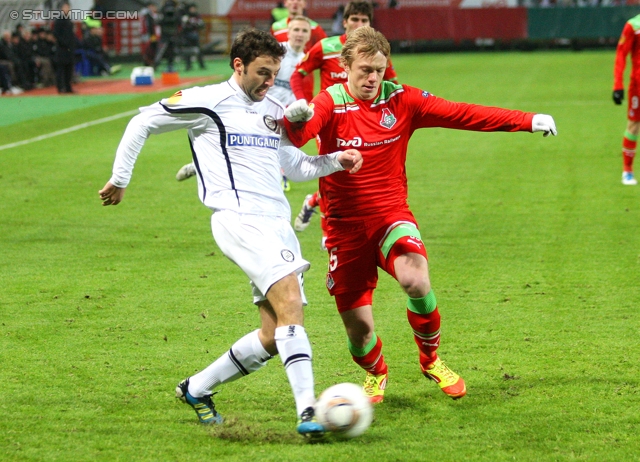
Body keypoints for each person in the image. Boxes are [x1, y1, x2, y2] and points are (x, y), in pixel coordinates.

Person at [98, 28, 363, 437]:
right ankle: (308, 411)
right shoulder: (208, 101)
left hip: (277, 224)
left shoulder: (274, 109)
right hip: (237, 219)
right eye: (261, 72)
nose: (268, 81)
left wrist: (335, 161)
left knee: (275, 334)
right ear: (238, 65)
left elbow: (294, 167)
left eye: (274, 73)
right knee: (291, 299)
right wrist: (120, 178)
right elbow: (143, 122)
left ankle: (196, 389)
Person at [282, 26, 557, 404]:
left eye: (379, 69)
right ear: (345, 65)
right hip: (343, 228)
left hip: (390, 215)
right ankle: (376, 373)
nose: (373, 78)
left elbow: (463, 113)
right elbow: (300, 136)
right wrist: (296, 119)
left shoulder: (403, 101)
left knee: (416, 279)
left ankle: (431, 360)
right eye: (364, 69)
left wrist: (527, 120)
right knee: (359, 331)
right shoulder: (329, 101)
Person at [290, 1, 398, 248]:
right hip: (329, 121)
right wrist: (304, 103)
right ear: (345, 21)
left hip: (364, 122)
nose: (359, 25)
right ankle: (328, 230)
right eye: (355, 20)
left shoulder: (377, 53)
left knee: (356, 174)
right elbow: (299, 73)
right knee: (332, 169)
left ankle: (313, 202)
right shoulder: (326, 47)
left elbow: (393, 85)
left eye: (364, 20)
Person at [175, 17, 313, 186]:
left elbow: (303, 89)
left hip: (281, 111)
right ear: (288, 32)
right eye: (296, 30)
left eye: (304, 31)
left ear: (309, 36)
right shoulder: (276, 54)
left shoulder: (307, 59)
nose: (300, 34)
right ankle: (200, 164)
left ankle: (274, 179)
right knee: (243, 145)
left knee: (278, 148)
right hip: (258, 106)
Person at [271, 0, 327, 101]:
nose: (295, 2)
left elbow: (325, 51)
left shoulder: (315, 28)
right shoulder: (276, 27)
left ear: (305, 3)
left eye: (304, 31)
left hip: (304, 80)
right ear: (285, 3)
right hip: (278, 84)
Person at [613, 13, 640, 186]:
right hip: (638, 85)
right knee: (634, 125)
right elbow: (621, 55)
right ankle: (627, 171)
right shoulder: (633, 25)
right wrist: (618, 85)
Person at [52, 2, 76, 93]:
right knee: (61, 69)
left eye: (68, 8)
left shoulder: (69, 20)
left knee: (69, 70)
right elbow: (56, 34)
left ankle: (68, 87)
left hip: (69, 49)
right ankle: (60, 88)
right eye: (65, 7)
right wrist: (64, 43)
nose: (67, 9)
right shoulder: (59, 20)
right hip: (62, 49)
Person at [181, 3, 206, 71]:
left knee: (199, 51)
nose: (193, 10)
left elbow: (202, 25)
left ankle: (202, 65)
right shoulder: (186, 17)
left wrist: (197, 24)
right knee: (188, 51)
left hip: (195, 35)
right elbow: (183, 27)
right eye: (191, 8)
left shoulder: (197, 16)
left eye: (194, 8)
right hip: (187, 36)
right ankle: (188, 65)